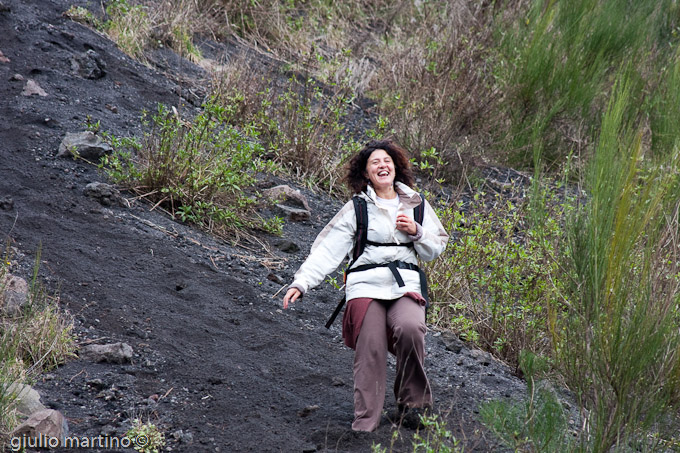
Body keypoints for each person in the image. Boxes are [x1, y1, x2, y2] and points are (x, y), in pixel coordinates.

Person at [282, 139, 449, 432]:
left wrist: (416, 232)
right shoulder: (356, 208)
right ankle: (366, 422)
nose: (382, 166)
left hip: (405, 282)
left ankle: (413, 406)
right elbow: (327, 250)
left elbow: (435, 247)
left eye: (387, 161)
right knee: (370, 346)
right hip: (365, 284)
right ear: (366, 174)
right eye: (375, 163)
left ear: (396, 167)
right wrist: (302, 283)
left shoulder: (417, 204)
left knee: (411, 329)